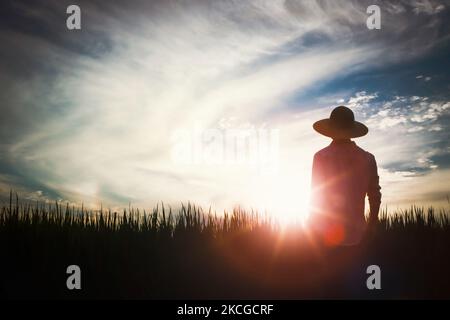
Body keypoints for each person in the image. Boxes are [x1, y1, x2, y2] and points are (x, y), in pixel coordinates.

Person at [308, 106, 381, 246]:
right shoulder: (368, 158)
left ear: (330, 130)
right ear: (351, 130)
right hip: (358, 236)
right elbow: (375, 196)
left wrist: (313, 231)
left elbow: (316, 196)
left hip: (326, 237)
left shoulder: (321, 157)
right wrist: (371, 226)